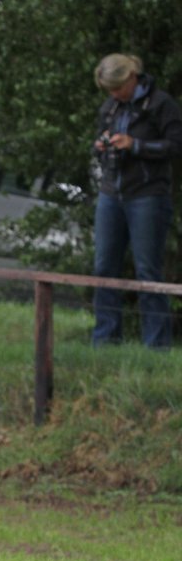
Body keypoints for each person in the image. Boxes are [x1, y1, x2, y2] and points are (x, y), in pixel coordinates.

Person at [90, 53, 182, 349]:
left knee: (147, 271)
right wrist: (101, 146)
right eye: (109, 91)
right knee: (104, 267)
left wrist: (136, 145)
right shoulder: (110, 107)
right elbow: (99, 146)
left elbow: (176, 146)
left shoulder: (161, 104)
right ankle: (105, 339)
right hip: (110, 194)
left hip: (148, 196)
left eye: (117, 88)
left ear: (131, 78)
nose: (113, 94)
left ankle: (156, 345)